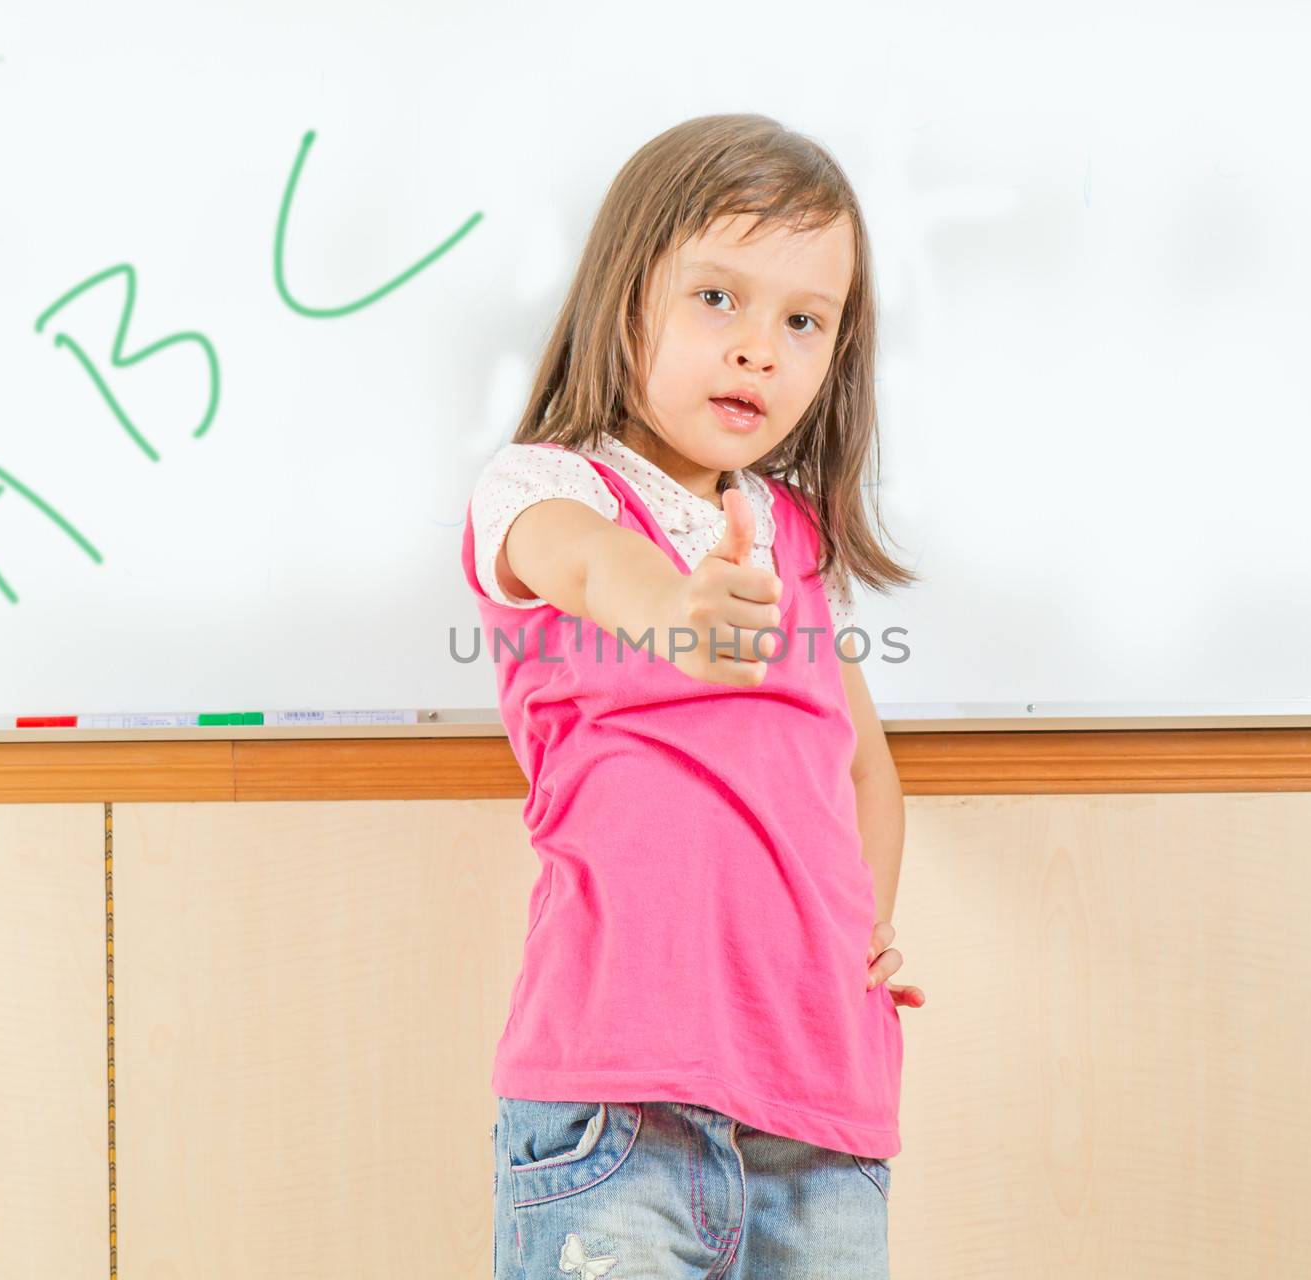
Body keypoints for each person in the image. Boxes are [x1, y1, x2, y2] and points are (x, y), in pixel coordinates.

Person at [461, 112, 924, 1278]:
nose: (759, 347)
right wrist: (679, 612)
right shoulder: (546, 487)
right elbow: (584, 563)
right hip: (618, 1109)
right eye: (717, 297)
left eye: (802, 320)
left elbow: (863, 761)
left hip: (819, 1110)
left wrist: (864, 919)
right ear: (625, 297)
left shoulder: (796, 539)